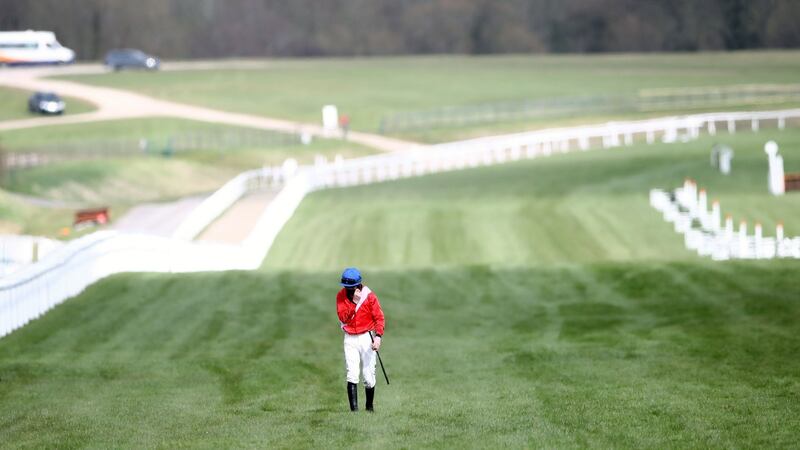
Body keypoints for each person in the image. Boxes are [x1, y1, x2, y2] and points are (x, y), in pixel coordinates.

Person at [336, 267, 385, 412]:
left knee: (368, 376)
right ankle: (354, 413)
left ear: (358, 285)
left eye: (351, 288)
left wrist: (378, 337)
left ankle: (369, 407)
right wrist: (353, 303)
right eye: (346, 287)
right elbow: (343, 317)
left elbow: (379, 318)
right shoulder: (341, 296)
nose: (348, 290)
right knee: (352, 373)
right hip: (350, 338)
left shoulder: (369, 296)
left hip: (367, 337)